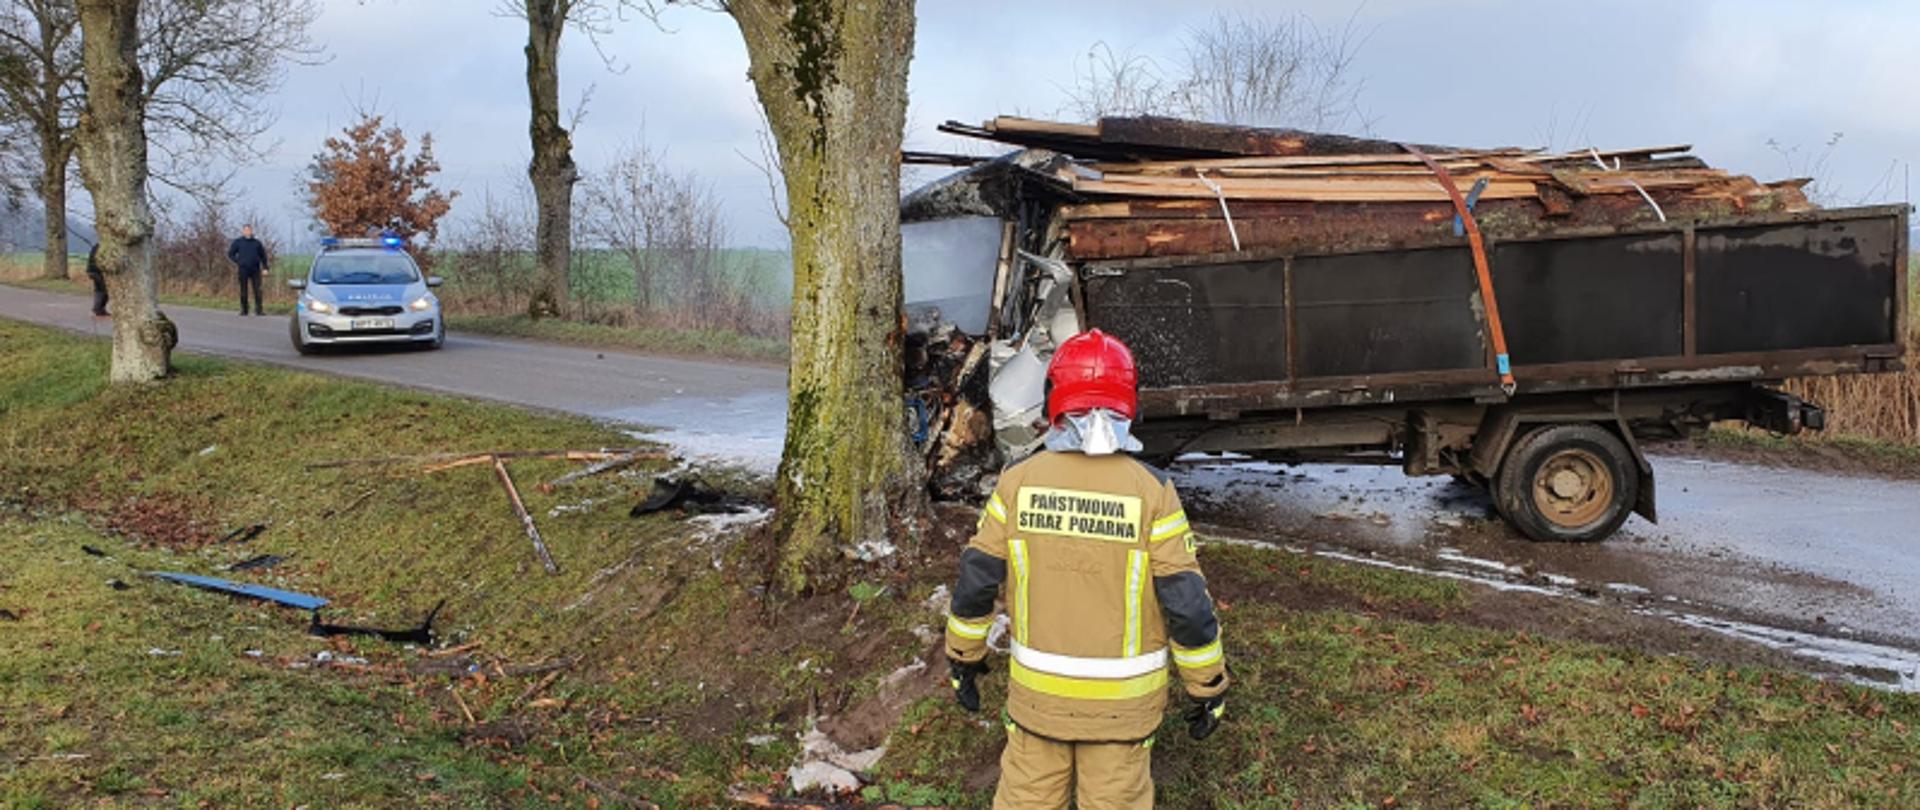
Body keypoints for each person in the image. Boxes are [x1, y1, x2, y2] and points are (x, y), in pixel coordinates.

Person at [944, 329, 1229, 810]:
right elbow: (1186, 602)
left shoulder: (1017, 484)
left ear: (1054, 398)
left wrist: (962, 657)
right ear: (1128, 403)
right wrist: (1208, 685)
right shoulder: (1152, 492)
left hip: (1038, 703)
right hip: (1123, 712)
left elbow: (977, 579)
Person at [227, 223, 270, 316]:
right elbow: (230, 254)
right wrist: (238, 261)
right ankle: (244, 309)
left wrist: (265, 268)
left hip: (255, 269)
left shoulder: (257, 243)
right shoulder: (238, 242)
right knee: (244, 290)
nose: (248, 232)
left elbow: (263, 256)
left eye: (249, 230)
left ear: (251, 231)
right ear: (243, 231)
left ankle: (259, 310)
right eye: (246, 230)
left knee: (258, 289)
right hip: (243, 269)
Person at [85, 242, 108, 317]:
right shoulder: (102, 247)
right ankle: (97, 309)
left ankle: (99, 308)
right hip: (96, 271)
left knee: (100, 289)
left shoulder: (97, 246)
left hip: (92, 271)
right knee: (102, 290)